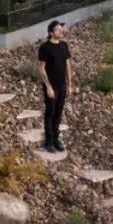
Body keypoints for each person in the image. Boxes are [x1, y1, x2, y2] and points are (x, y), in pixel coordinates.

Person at [37, 20, 76, 153]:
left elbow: (67, 65)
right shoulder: (45, 47)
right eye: (58, 29)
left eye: (61, 29)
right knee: (50, 112)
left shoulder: (64, 46)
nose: (61, 31)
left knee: (58, 113)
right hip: (51, 85)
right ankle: (48, 141)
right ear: (51, 33)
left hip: (62, 85)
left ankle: (56, 140)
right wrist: (48, 87)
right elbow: (41, 68)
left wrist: (70, 85)